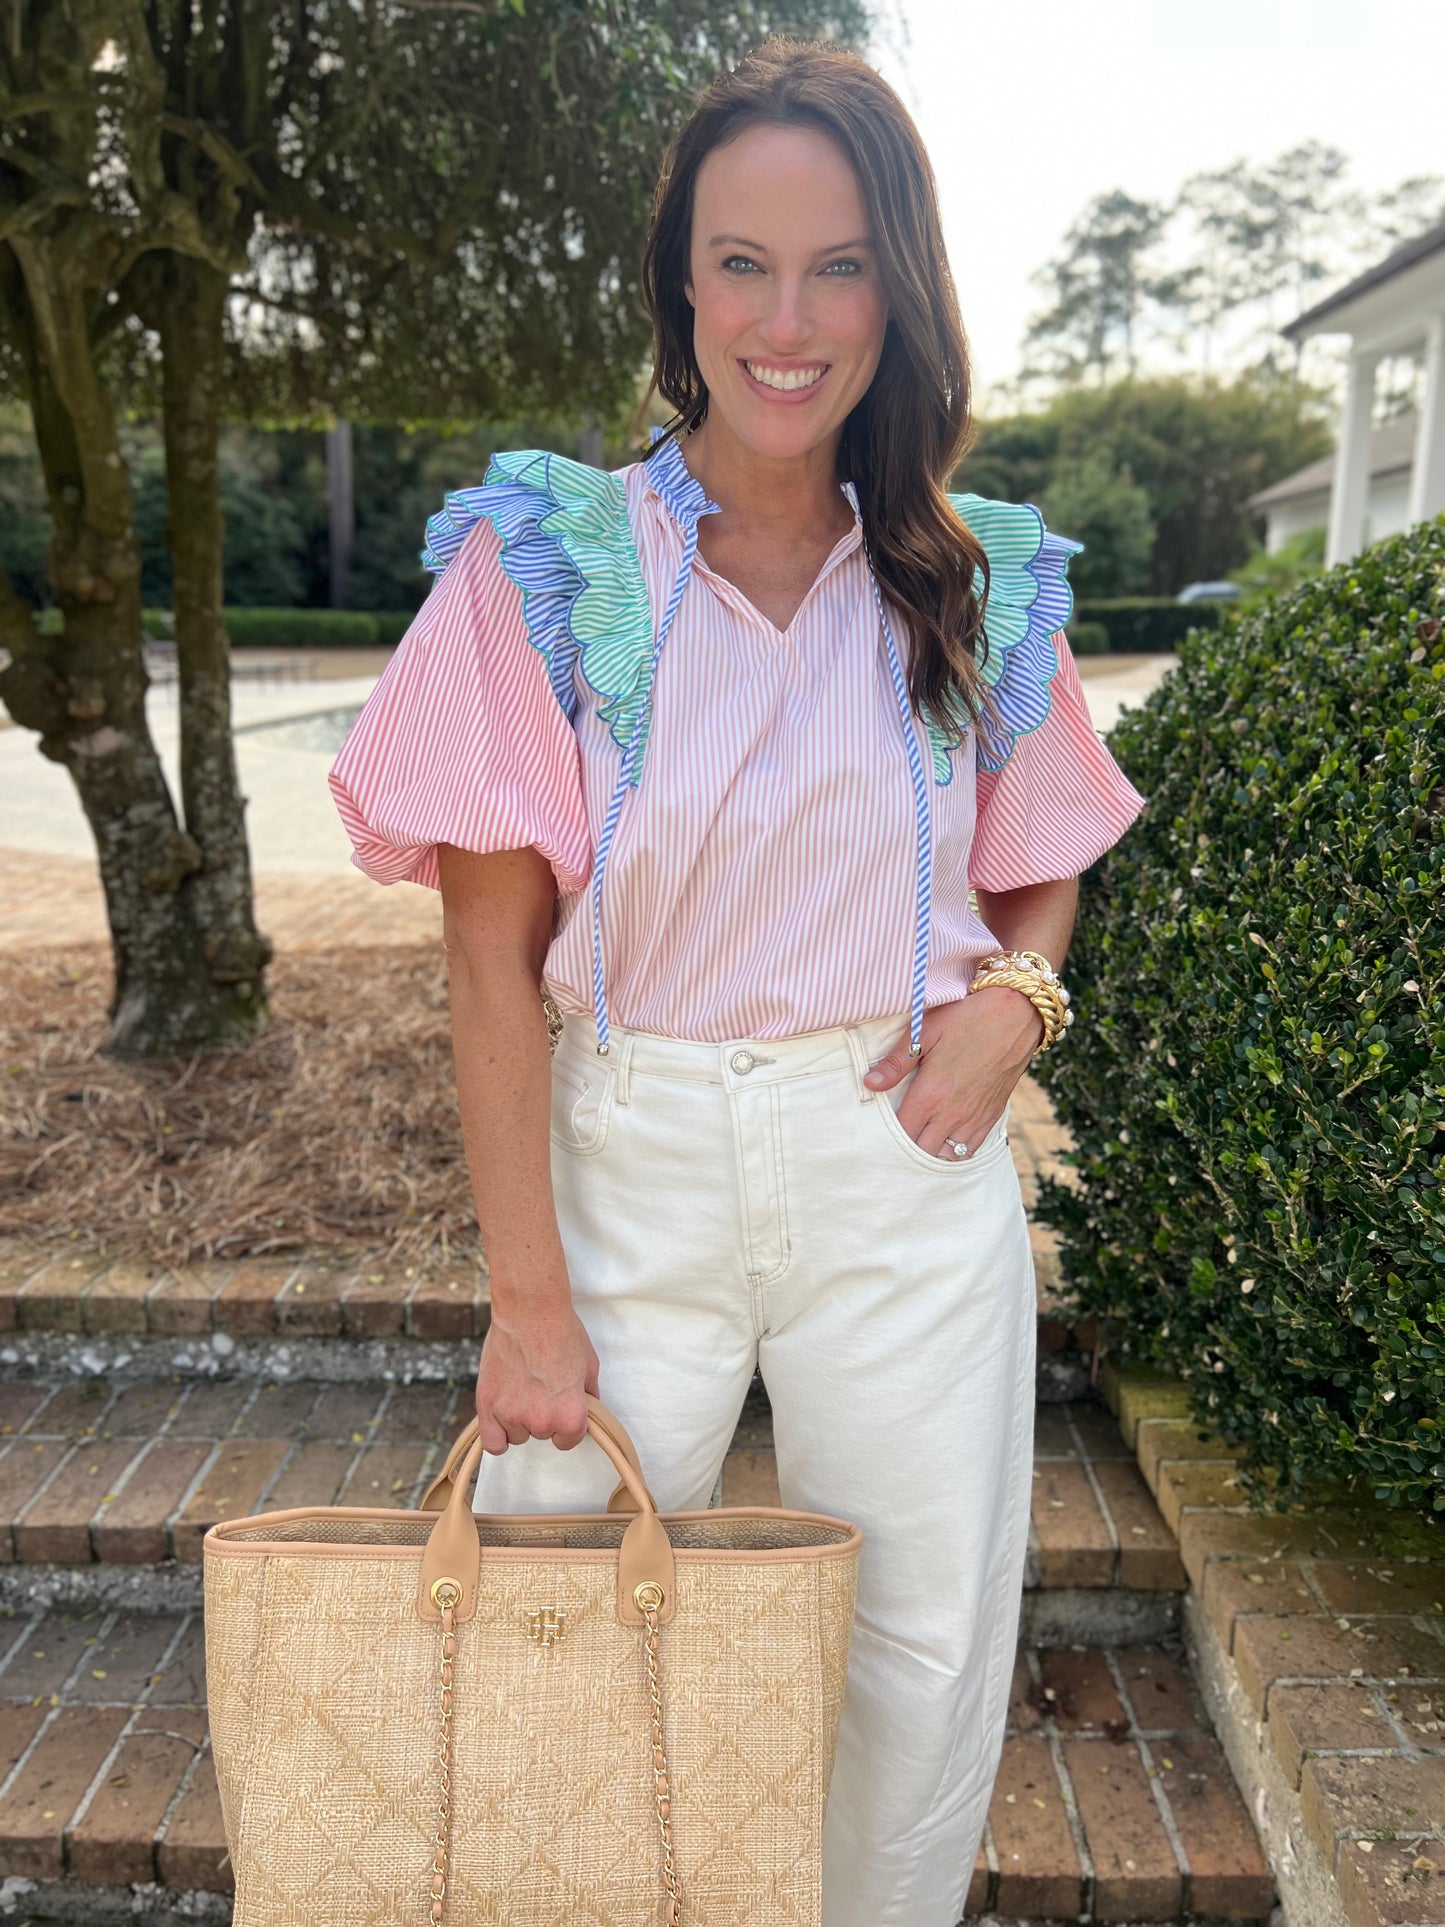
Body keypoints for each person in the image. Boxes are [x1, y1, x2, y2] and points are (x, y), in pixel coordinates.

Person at [328, 36, 1146, 1927]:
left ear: (901, 289)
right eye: (742, 263)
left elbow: (1041, 874)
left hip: (901, 1180)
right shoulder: (542, 567)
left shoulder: (982, 582)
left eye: (839, 264)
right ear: (678, 287)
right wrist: (524, 1299)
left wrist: (1015, 1017)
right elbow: (486, 957)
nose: (788, 320)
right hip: (634, 1173)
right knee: (553, 1639)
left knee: (918, 1661)